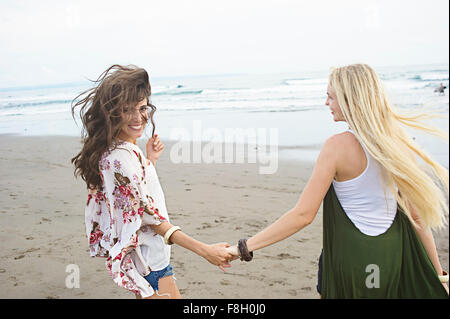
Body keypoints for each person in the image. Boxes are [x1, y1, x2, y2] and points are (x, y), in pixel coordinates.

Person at [227, 64, 449, 298]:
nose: (326, 103)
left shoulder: (336, 147)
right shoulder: (398, 143)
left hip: (351, 256)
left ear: (349, 99)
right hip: (391, 255)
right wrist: (439, 276)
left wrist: (243, 248)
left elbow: (302, 216)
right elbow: (416, 217)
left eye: (330, 97)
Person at [71, 64, 232, 299]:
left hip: (144, 259)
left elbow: (134, 194)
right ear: (112, 112)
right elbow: (149, 215)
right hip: (150, 263)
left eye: (143, 107)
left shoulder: (118, 150)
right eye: (127, 110)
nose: (139, 118)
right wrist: (204, 250)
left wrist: (150, 161)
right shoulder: (120, 158)